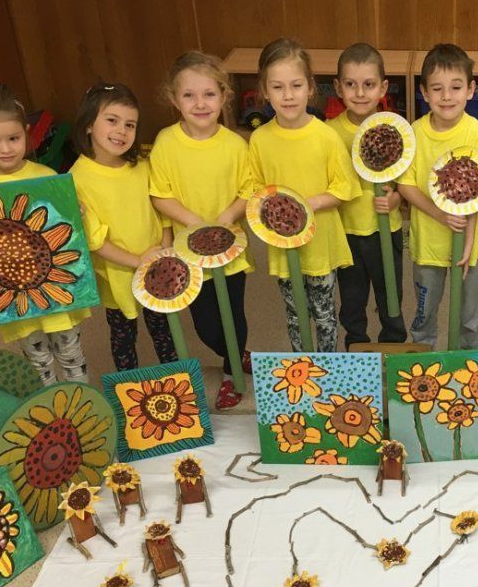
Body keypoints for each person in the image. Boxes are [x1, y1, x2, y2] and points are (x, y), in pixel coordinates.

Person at [0, 83, 90, 385]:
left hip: (56, 288)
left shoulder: (47, 177)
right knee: (37, 361)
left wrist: (76, 214)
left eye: (14, 138)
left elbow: (67, 235)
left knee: (71, 353)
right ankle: (48, 404)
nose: (5, 148)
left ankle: (82, 404)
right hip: (12, 295)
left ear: (26, 133)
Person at [149, 51, 252, 409]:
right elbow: (160, 195)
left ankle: (233, 374)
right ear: (174, 99)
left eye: (209, 94)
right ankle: (237, 353)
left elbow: (249, 190)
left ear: (224, 96)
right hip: (187, 254)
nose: (200, 103)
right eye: (189, 95)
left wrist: (226, 217)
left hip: (230, 251)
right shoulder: (165, 142)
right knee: (206, 326)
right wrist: (195, 224)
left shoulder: (236, 145)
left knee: (232, 315)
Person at [247, 38, 359, 352]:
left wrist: (307, 205)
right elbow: (255, 191)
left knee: (324, 314)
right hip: (284, 247)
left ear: (310, 87)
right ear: (265, 90)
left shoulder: (326, 136)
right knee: (296, 313)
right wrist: (277, 211)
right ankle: (303, 367)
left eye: (296, 85)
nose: (288, 95)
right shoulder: (259, 139)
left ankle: (328, 367)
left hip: (320, 244)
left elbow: (344, 187)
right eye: (278, 87)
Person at [71, 83, 177, 372]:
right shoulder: (77, 179)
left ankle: (177, 380)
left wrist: (166, 244)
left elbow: (161, 206)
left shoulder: (142, 164)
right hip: (117, 274)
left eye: (130, 124)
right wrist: (137, 261)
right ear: (88, 124)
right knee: (123, 336)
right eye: (112, 120)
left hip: (157, 262)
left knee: (164, 330)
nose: (122, 131)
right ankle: (129, 386)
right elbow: (94, 241)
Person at [397, 43, 478, 349]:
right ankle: (422, 362)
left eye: (456, 87)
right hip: (428, 246)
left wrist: (469, 243)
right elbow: (406, 186)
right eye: (437, 89)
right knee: (425, 315)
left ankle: (470, 365)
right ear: (424, 92)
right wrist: (440, 214)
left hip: (469, 247)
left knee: (469, 318)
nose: (447, 96)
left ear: (470, 90)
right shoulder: (414, 132)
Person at [328, 42, 408, 348]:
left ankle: (393, 344)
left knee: (391, 296)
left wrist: (397, 197)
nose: (360, 93)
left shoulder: (396, 129)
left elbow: (406, 179)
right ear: (338, 87)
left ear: (383, 88)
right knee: (352, 300)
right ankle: (356, 347)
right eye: (350, 84)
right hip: (347, 233)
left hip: (386, 230)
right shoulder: (330, 132)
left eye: (369, 84)